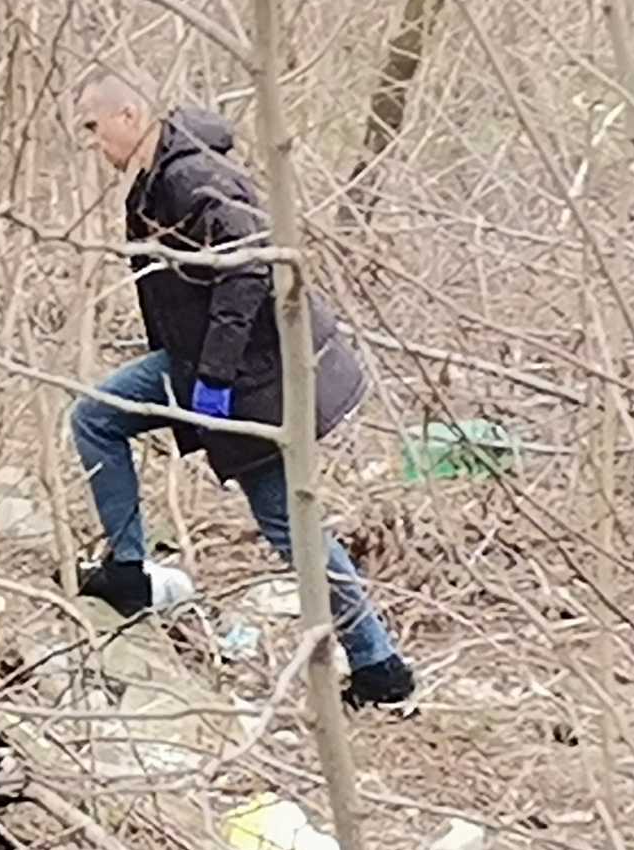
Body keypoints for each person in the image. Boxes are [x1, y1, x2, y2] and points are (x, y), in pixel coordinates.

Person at [66, 70, 415, 709]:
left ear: (130, 115)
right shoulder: (154, 180)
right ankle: (127, 572)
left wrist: (216, 379)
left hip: (259, 376)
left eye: (94, 126)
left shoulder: (186, 176)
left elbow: (250, 261)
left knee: (290, 527)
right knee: (97, 418)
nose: (91, 142)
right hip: (214, 364)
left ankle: (381, 669)